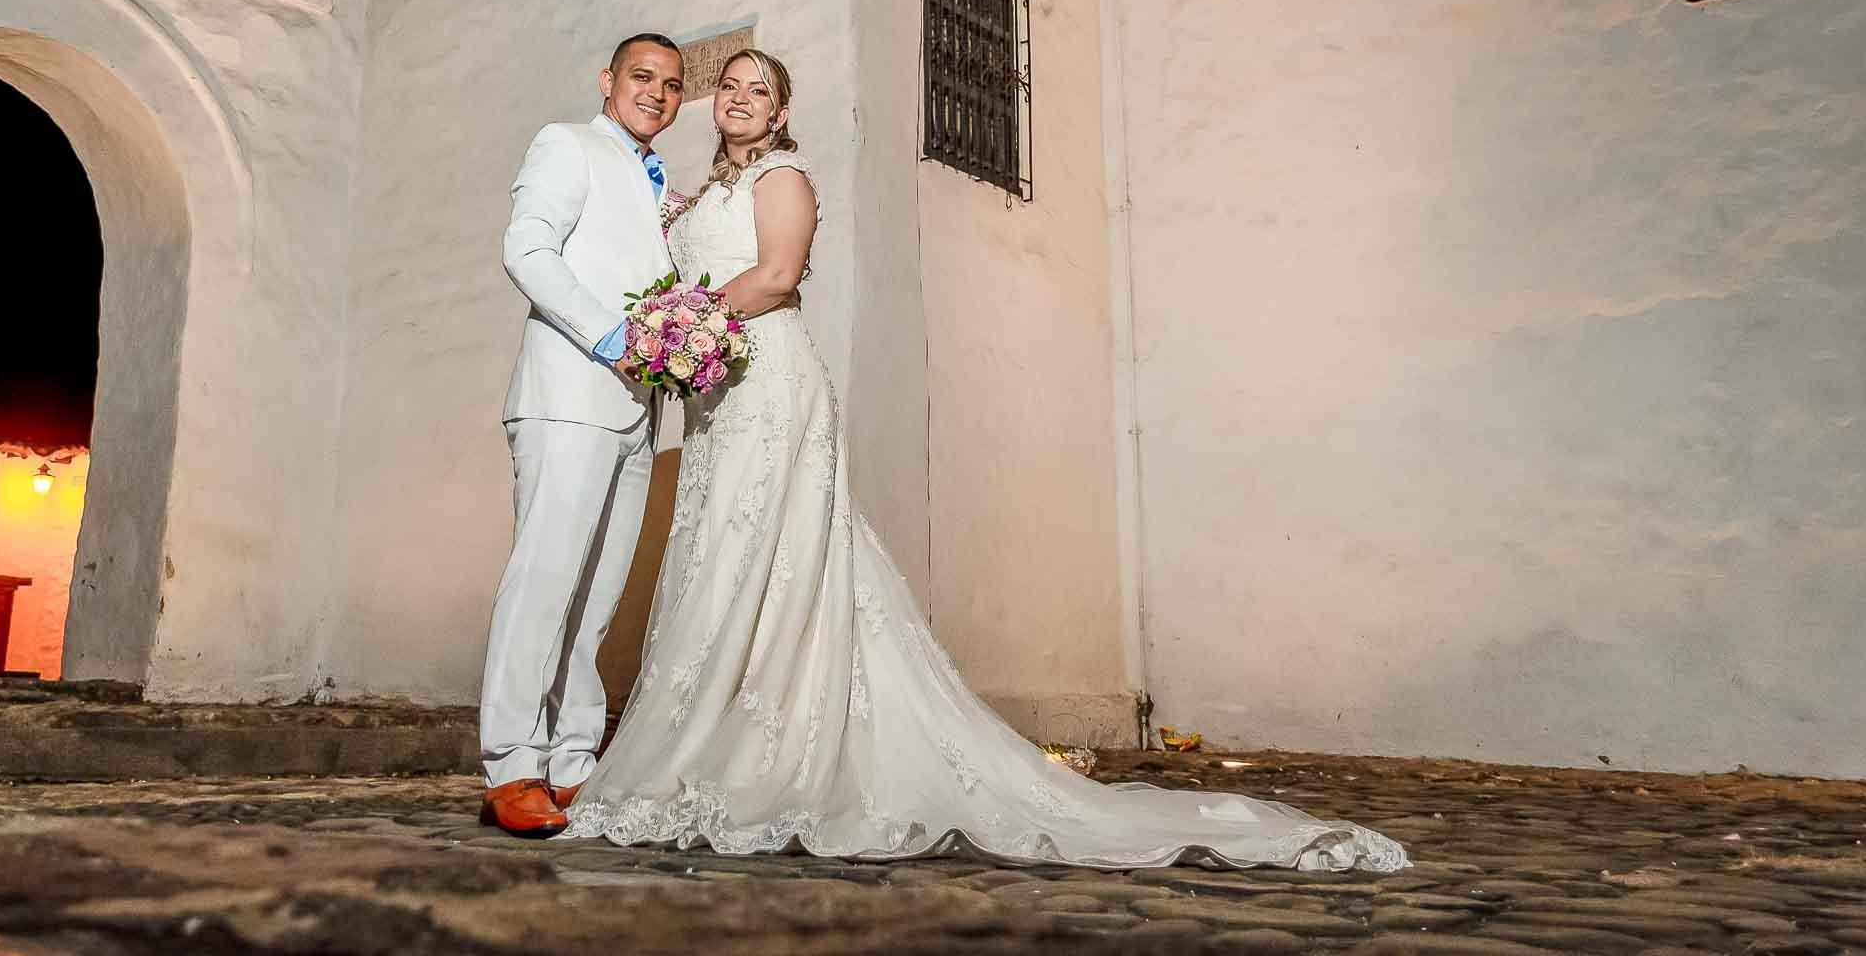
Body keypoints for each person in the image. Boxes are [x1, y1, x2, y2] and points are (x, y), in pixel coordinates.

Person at [562, 49, 1408, 871]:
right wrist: (675, 328)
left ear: (780, 114)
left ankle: (756, 753)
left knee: (762, 559)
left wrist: (684, 322)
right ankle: (717, 740)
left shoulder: (780, 178)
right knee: (727, 559)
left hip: (769, 387)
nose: (743, 97)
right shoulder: (702, 190)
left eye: (761, 90)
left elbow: (778, 275)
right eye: (733, 87)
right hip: (715, 395)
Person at [479, 32, 685, 835]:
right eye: (642, 77)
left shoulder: (657, 181)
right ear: (607, 81)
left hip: (638, 407)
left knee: (597, 597)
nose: (656, 93)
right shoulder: (566, 145)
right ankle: (511, 765)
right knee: (545, 581)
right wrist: (614, 337)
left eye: (670, 85)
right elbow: (527, 251)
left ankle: (571, 763)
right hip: (568, 394)